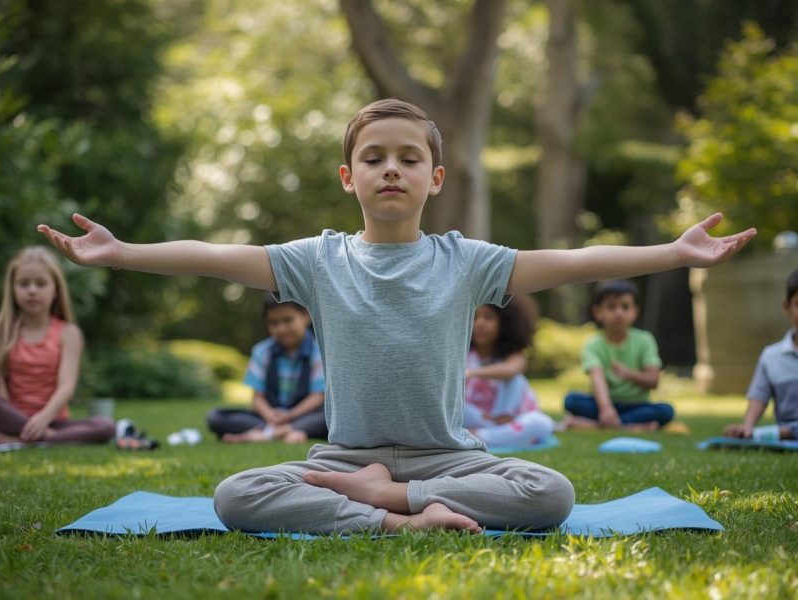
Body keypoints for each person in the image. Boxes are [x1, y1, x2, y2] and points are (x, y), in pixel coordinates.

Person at [38, 98, 756, 534]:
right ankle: (385, 520)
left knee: (552, 492)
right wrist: (123, 252)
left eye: (408, 159)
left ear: (433, 179)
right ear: (349, 177)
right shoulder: (317, 260)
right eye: (374, 157)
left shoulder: (465, 260)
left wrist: (674, 251)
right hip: (343, 460)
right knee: (236, 494)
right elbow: (215, 256)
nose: (391, 168)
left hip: (449, 457)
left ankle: (397, 500)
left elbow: (571, 259)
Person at [0, 247, 115, 445]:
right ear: (12, 288)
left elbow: (67, 385)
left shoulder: (69, 333)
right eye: (24, 284)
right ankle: (37, 438)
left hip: (53, 420)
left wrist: (43, 419)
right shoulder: (2, 328)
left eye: (41, 283)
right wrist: (14, 419)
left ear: (55, 290)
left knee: (106, 426)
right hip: (9, 417)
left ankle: (21, 440)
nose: (32, 290)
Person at [206, 293, 326, 444]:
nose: (281, 329)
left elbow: (318, 397)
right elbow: (257, 398)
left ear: (306, 316)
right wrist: (269, 414)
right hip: (270, 418)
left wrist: (290, 415)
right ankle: (287, 431)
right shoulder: (262, 351)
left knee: (331, 416)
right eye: (273, 323)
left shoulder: (319, 350)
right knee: (216, 417)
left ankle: (268, 433)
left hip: (305, 414)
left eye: (288, 320)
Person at [562, 279, 675, 431]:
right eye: (611, 307)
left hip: (637, 405)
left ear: (635, 311)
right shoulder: (593, 344)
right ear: (598, 312)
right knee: (571, 400)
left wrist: (628, 374)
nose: (619, 313)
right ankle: (632, 426)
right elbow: (597, 377)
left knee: (666, 410)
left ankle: (596, 426)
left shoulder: (645, 340)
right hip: (602, 404)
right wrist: (606, 409)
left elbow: (653, 380)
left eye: (625, 307)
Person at [464, 296, 554, 449]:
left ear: (505, 323)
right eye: (475, 317)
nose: (480, 323)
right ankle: (494, 435)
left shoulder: (514, 356)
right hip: (481, 419)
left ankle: (475, 437)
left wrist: (472, 373)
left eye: (488, 317)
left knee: (542, 423)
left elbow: (510, 370)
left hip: (512, 420)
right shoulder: (465, 355)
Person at [724, 267, 798, 440]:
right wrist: (747, 427)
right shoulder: (771, 356)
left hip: (784, 431)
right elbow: (759, 397)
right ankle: (772, 433)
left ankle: (780, 433)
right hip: (786, 426)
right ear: (786, 307)